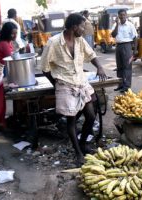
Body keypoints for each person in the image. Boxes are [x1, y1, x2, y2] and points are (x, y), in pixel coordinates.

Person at [40, 13, 107, 165]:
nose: (84, 29)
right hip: (65, 85)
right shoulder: (54, 42)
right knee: (72, 121)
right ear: (74, 27)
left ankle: (83, 143)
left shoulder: (80, 40)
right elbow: (44, 68)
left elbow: (91, 54)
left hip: (81, 83)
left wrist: (100, 67)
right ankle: (78, 153)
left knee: (90, 116)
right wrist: (56, 83)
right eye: (82, 26)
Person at [111, 9, 138, 93]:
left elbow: (135, 37)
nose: (122, 16)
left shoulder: (130, 25)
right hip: (118, 46)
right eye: (120, 15)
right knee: (119, 67)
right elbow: (113, 35)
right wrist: (117, 25)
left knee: (127, 67)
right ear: (118, 16)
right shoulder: (116, 25)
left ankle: (127, 86)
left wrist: (135, 50)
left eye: (123, 15)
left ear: (126, 15)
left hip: (127, 46)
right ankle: (120, 85)